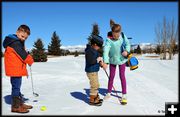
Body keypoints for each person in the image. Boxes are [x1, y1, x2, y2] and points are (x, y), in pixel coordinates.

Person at [3, 24, 34, 113]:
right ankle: (16, 106)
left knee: (17, 86)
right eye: (22, 36)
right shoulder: (15, 43)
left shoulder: (16, 41)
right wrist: (30, 60)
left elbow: (21, 52)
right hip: (14, 69)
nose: (23, 39)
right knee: (16, 87)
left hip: (16, 68)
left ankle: (20, 103)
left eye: (25, 38)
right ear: (17, 32)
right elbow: (22, 54)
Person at [103, 23, 130, 105]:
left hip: (122, 60)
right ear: (112, 33)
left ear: (120, 32)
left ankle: (124, 94)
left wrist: (127, 51)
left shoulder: (122, 35)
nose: (116, 37)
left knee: (122, 76)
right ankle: (108, 93)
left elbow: (127, 44)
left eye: (118, 36)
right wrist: (106, 62)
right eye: (115, 36)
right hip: (113, 60)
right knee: (111, 76)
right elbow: (106, 50)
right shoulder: (108, 39)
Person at [85, 35, 104, 106]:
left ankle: (96, 97)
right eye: (99, 46)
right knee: (94, 85)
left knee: (96, 84)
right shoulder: (89, 51)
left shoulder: (94, 50)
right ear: (95, 44)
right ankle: (92, 100)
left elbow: (96, 58)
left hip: (94, 71)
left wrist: (100, 63)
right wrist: (97, 60)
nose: (99, 48)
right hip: (91, 71)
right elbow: (91, 61)